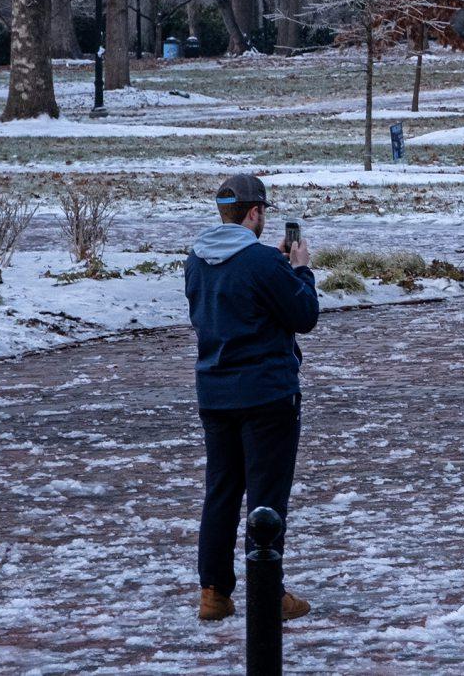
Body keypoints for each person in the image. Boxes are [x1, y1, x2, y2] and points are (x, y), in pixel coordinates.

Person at [185, 172, 319, 621]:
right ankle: (269, 594)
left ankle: (214, 593)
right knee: (267, 496)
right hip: (267, 395)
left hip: (214, 392)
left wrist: (277, 268)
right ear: (255, 212)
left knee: (220, 493)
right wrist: (299, 269)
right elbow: (304, 315)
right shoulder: (264, 263)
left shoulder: (197, 260)